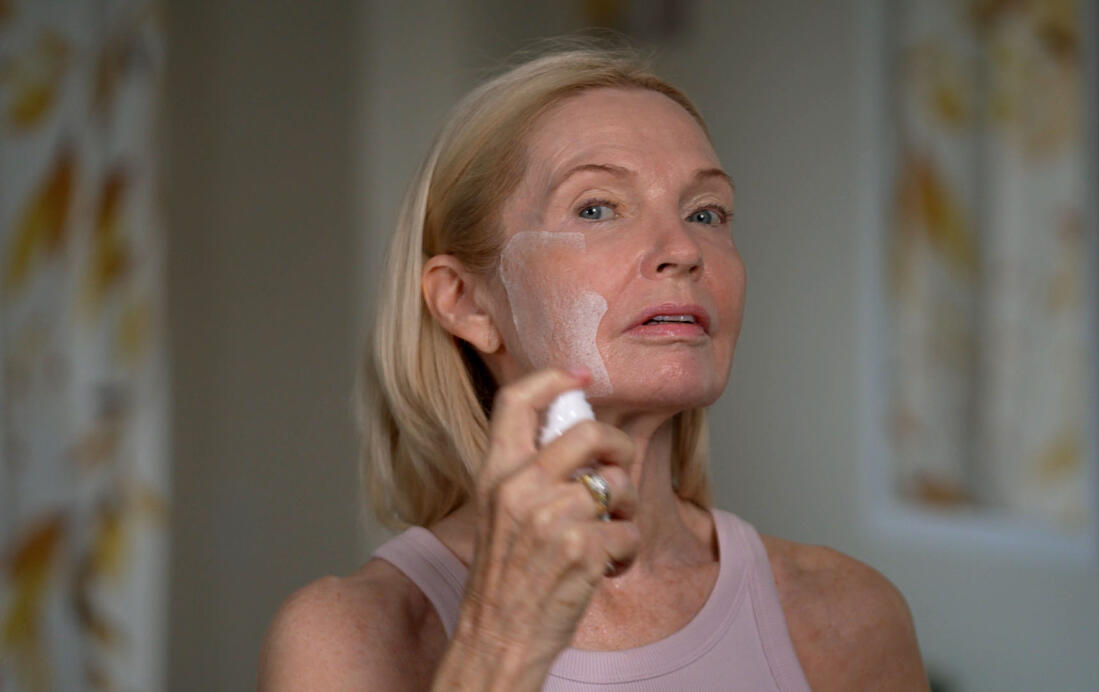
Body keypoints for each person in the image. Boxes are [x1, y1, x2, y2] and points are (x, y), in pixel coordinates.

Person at [259, 44, 928, 691]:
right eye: (597, 208)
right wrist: (499, 647)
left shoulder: (849, 617)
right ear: (465, 302)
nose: (683, 250)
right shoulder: (344, 641)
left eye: (706, 212)